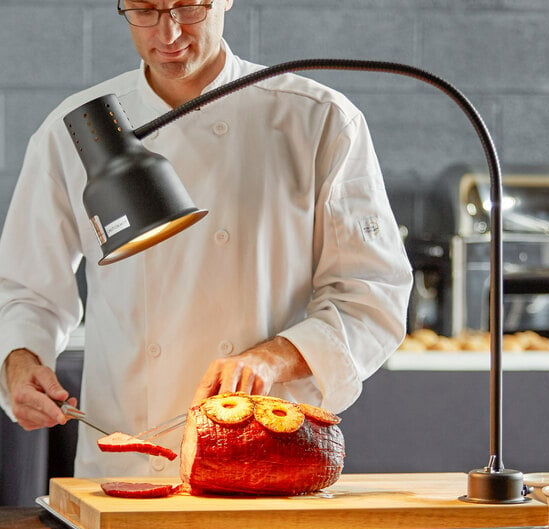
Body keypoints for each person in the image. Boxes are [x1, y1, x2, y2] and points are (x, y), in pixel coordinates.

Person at [0, 0, 412, 478]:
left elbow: (372, 297)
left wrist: (276, 358)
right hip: (127, 462)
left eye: (187, 7)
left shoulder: (317, 119)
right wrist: (20, 360)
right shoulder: (78, 132)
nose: (168, 32)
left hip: (266, 456)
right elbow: (25, 290)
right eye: (145, 11)